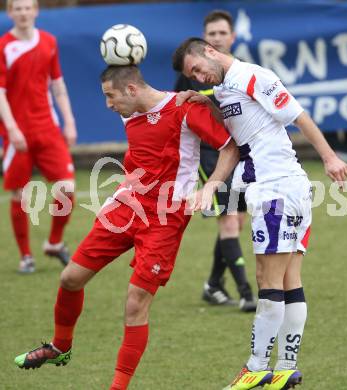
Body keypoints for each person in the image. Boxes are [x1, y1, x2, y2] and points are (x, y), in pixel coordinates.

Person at [14, 65, 239, 390]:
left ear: (131, 90)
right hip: (127, 204)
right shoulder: (131, 109)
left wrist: (211, 185)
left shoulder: (184, 108)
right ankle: (60, 347)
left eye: (110, 96)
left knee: (136, 301)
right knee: (70, 278)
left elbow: (230, 146)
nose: (108, 104)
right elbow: (132, 78)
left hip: (166, 216)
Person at [172, 38, 347, 390]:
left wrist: (330, 157)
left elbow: (297, 115)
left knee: (267, 279)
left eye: (197, 69)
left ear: (210, 51)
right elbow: (240, 119)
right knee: (290, 280)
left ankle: (257, 368)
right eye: (192, 76)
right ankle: (286, 368)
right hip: (285, 187)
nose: (198, 78)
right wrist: (205, 99)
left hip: (276, 188)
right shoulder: (226, 87)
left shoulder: (253, 75)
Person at [174, 10, 256, 312]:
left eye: (222, 33)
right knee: (230, 220)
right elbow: (179, 112)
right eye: (212, 34)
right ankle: (247, 293)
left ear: (232, 37)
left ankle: (213, 284)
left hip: (242, 155)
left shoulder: (240, 72)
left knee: (236, 220)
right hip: (210, 157)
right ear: (204, 40)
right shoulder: (190, 72)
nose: (217, 38)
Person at [0, 0, 77, 273]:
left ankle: (54, 243)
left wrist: (68, 121)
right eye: (17, 8)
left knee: (67, 190)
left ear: (36, 10)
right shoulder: (4, 46)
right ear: (9, 13)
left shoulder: (49, 41)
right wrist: (11, 129)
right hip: (17, 134)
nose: (22, 12)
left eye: (27, 7)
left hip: (48, 129)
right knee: (19, 193)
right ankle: (25, 256)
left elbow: (57, 84)